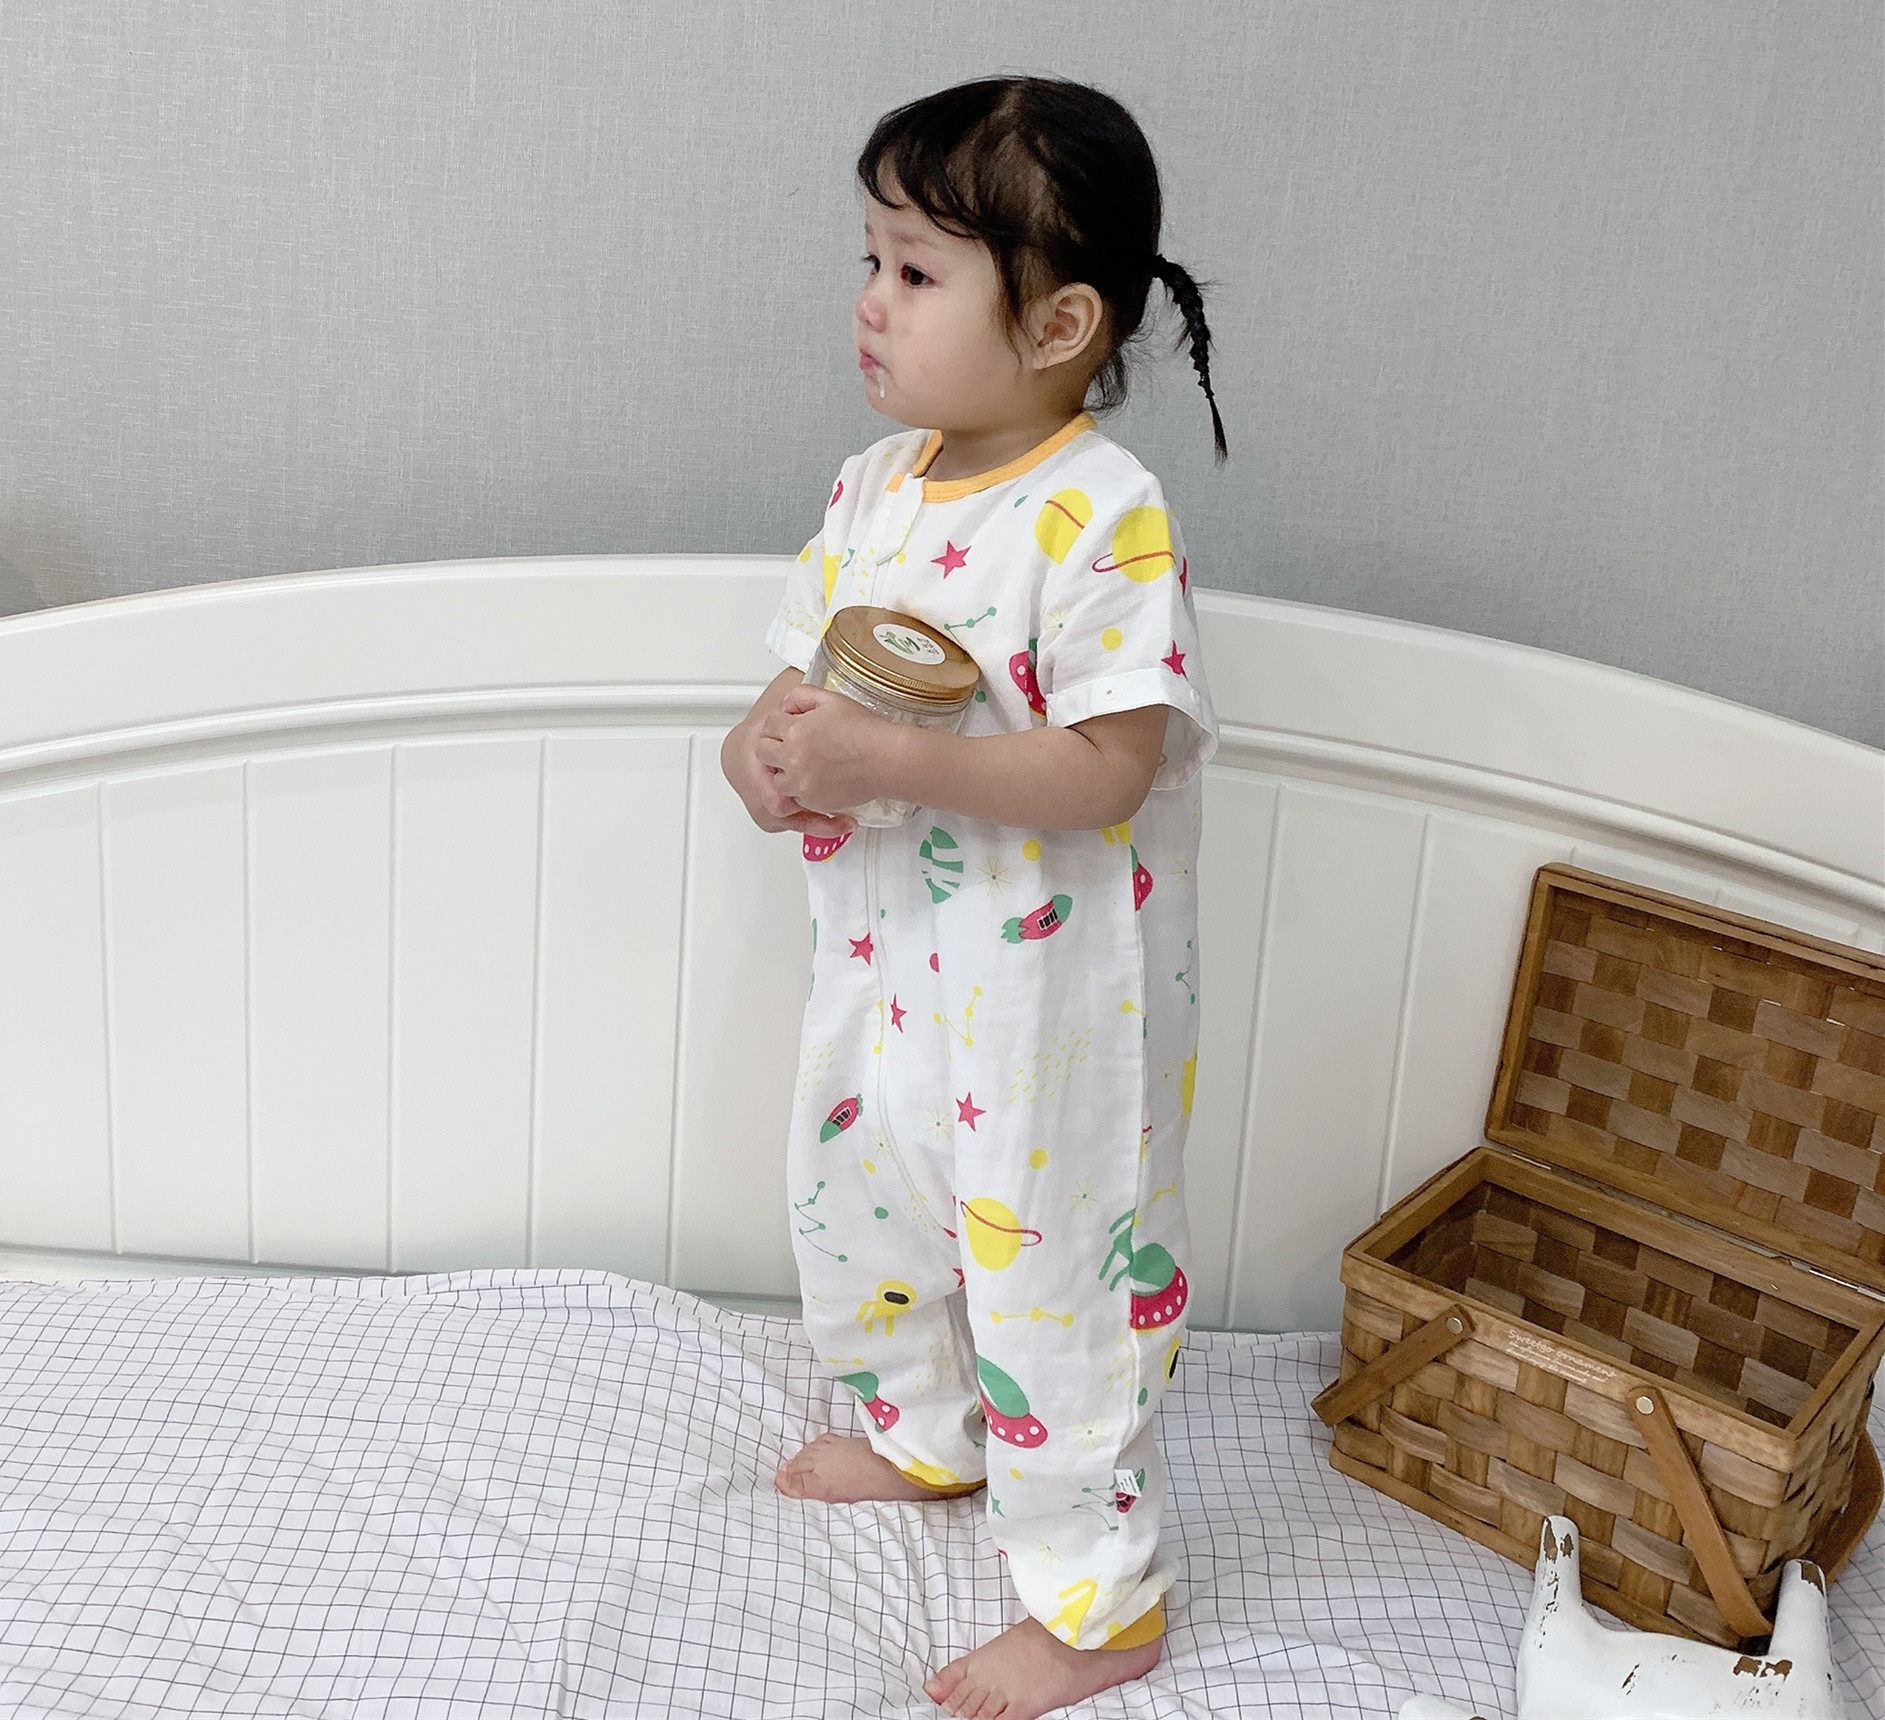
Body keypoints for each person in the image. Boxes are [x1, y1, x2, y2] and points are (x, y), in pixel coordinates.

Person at [720, 74, 1225, 1720]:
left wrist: (895, 761)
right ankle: (924, 1436)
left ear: (1060, 321)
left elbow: (1109, 769)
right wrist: (760, 753)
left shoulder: (1100, 512)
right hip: (883, 973)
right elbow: (801, 682)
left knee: (1051, 1288)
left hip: (1051, 1019)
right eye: (869, 260)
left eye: (917, 271)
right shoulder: (875, 485)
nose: (870, 300)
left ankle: (1099, 1603)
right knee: (857, 1212)